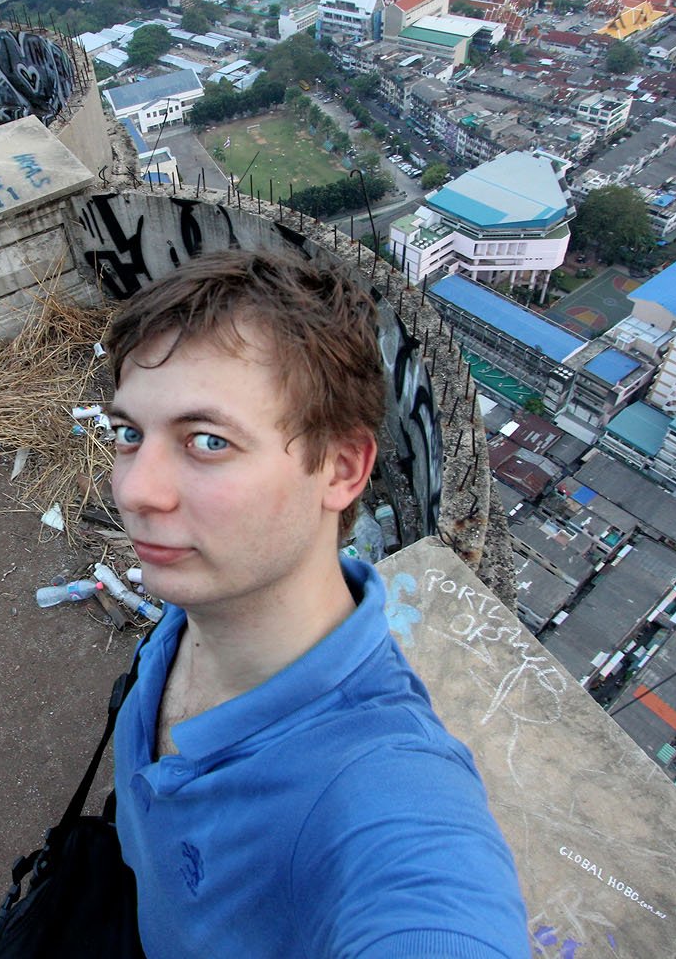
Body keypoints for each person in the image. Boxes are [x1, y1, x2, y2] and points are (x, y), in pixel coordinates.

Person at [103, 248, 529, 958]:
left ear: (341, 468)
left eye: (208, 442)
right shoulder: (203, 601)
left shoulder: (383, 789)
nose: (136, 491)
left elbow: (433, 904)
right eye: (128, 434)